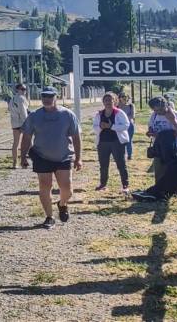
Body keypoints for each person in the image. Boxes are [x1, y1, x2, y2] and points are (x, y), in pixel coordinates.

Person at [20, 86, 82, 229]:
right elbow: (27, 137)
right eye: (44, 96)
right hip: (41, 157)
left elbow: (76, 137)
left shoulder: (67, 114)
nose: (47, 99)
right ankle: (49, 217)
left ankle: (62, 204)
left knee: (67, 190)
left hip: (63, 156)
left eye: (50, 96)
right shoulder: (34, 116)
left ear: (56, 97)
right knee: (44, 186)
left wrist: (79, 158)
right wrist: (22, 156)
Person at [92, 92, 130, 195]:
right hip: (103, 143)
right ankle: (103, 184)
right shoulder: (99, 114)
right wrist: (100, 127)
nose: (108, 102)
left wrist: (111, 126)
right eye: (106, 100)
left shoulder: (119, 113)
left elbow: (126, 125)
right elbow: (94, 127)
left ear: (115, 101)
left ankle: (125, 185)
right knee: (103, 165)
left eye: (110, 100)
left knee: (121, 164)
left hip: (117, 142)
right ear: (103, 102)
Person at [8, 83, 30, 169]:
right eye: (22, 89)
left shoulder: (12, 99)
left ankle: (14, 163)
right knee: (28, 142)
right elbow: (23, 112)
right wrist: (27, 123)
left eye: (25, 89)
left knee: (16, 143)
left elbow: (10, 110)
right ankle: (24, 160)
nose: (24, 91)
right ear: (17, 89)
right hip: (23, 123)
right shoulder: (22, 99)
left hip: (15, 123)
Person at [119, 93, 136, 160]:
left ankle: (129, 155)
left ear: (128, 98)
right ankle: (121, 154)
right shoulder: (117, 106)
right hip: (120, 126)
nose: (124, 98)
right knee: (120, 140)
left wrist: (122, 117)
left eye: (125, 96)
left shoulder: (131, 106)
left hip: (129, 125)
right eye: (122, 96)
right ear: (119, 98)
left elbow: (132, 116)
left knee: (129, 140)